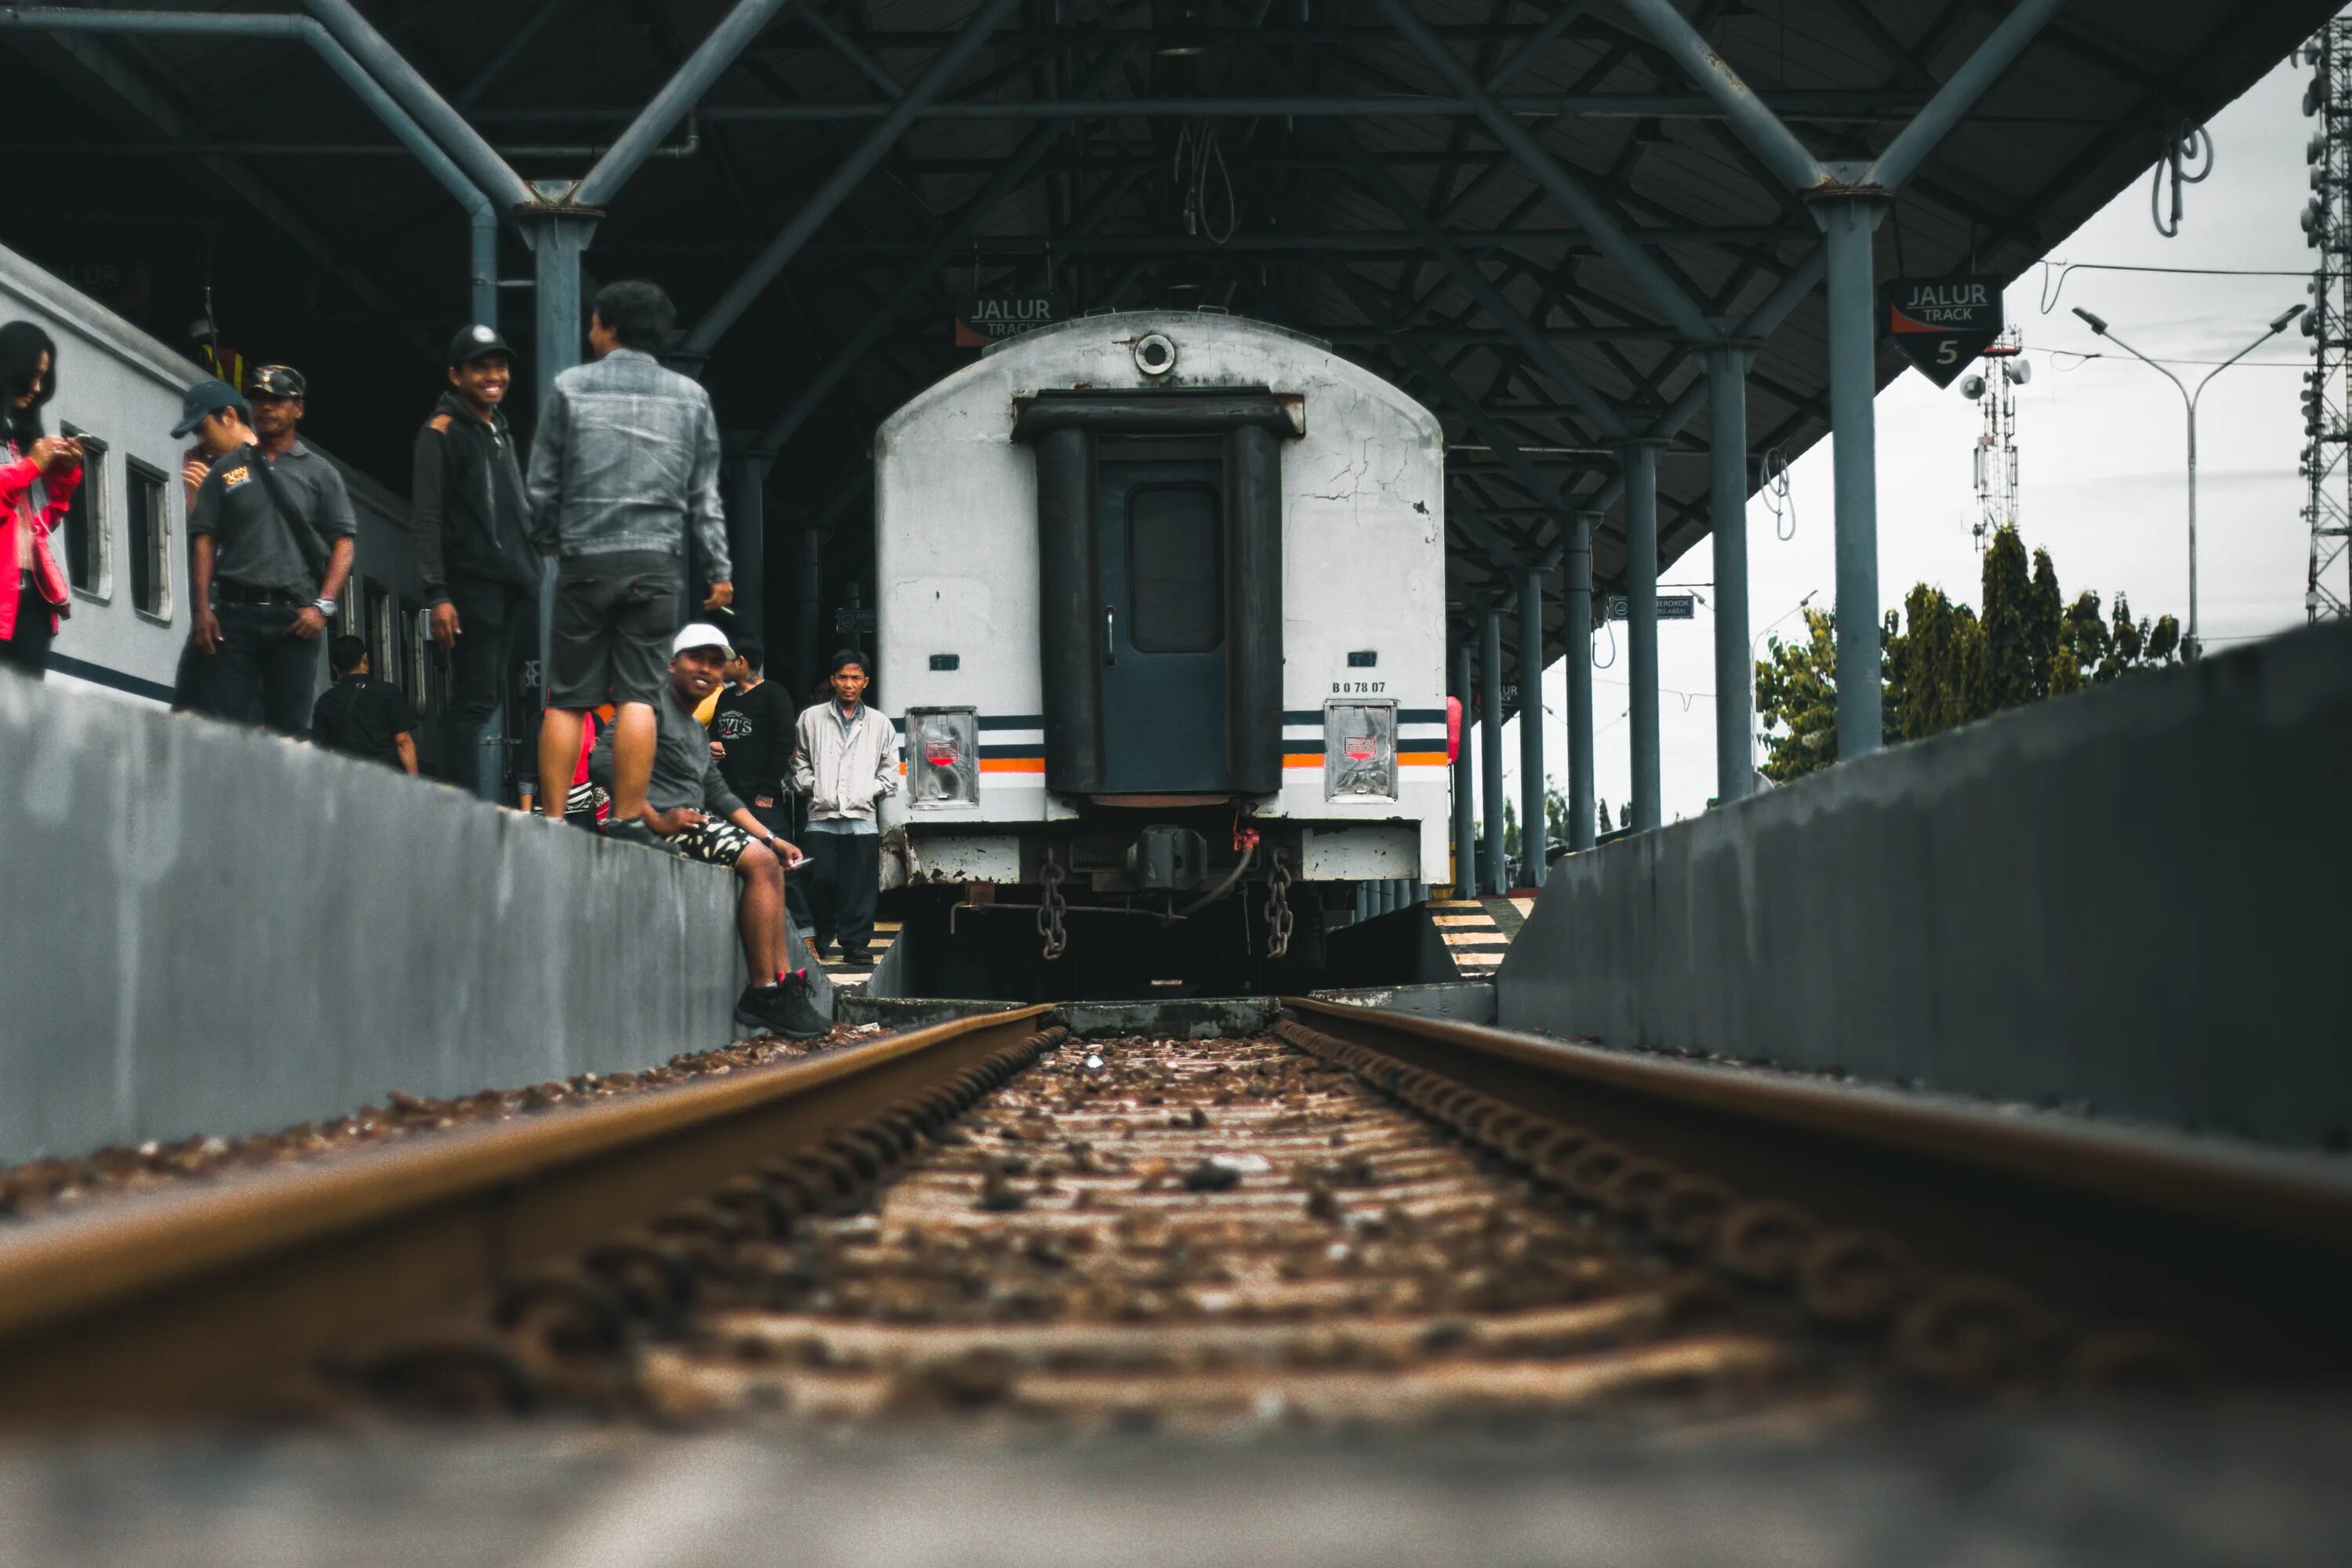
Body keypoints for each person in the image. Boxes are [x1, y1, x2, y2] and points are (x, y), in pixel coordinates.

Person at [528, 278, 732, 849]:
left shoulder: (571, 387)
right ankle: (626, 816)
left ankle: (550, 821)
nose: (590, 329)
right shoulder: (690, 398)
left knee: (568, 695)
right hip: (656, 563)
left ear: (609, 327)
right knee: (640, 695)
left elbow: (543, 483)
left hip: (586, 557)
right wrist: (718, 569)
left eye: (594, 321)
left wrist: (548, 542)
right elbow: (705, 496)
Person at [592, 624, 824, 1040]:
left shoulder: (695, 728)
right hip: (664, 824)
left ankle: (781, 986)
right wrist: (655, 818)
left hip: (696, 820)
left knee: (767, 858)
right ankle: (765, 991)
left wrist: (772, 837)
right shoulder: (648, 707)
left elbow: (720, 794)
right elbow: (603, 763)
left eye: (716, 663)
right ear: (672, 663)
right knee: (760, 862)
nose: (707, 670)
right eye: (696, 659)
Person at [184, 365, 358, 734]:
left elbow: (344, 543)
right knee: (228, 728)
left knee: (288, 733)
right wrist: (201, 608)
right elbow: (204, 538)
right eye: (259, 400)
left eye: (277, 400)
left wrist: (323, 606)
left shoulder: (320, 474)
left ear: (298, 408)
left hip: (293, 622)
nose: (266, 408)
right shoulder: (228, 470)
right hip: (234, 616)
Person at [412, 324, 539, 797]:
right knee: (473, 700)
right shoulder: (440, 433)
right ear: (455, 374)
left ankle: (463, 800)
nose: (493, 375)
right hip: (471, 584)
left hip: (505, 584)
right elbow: (426, 519)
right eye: (480, 366)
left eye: (499, 365)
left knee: (485, 698)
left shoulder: (497, 429)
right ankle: (460, 804)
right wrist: (438, 594)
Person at [791, 648, 900, 966]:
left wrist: (868, 791)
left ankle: (856, 945)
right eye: (842, 677)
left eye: (855, 678)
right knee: (820, 878)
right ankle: (822, 935)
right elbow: (799, 760)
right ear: (832, 680)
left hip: (861, 818)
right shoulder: (811, 718)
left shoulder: (880, 724)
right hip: (821, 817)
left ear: (865, 682)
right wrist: (814, 786)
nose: (848, 684)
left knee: (859, 886)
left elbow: (890, 770)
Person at [0, 321, 84, 679]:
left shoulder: (21, 438)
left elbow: (43, 523)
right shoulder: (25, 453)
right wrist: (33, 465)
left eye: (43, 379)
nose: (36, 388)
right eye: (30, 375)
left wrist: (64, 473)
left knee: (23, 722)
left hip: (31, 599)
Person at [710, 637, 811, 928]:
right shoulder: (725, 698)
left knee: (783, 862)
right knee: (736, 861)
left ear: (741, 661)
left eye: (724, 661)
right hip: (729, 797)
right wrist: (712, 745)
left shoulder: (773, 694)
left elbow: (785, 744)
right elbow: (715, 734)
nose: (720, 668)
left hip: (761, 799)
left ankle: (805, 933)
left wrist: (767, 792)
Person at [310, 634, 419, 774]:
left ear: (335, 668)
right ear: (365, 658)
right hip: (387, 778)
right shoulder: (388, 692)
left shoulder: (326, 701)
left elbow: (319, 752)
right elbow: (403, 742)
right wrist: (413, 785)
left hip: (348, 780)